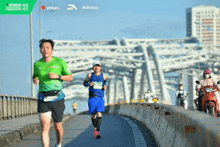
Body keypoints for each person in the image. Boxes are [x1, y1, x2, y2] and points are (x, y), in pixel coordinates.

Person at [33, 39, 73, 147]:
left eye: (47, 48)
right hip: (43, 98)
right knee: (45, 127)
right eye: (43, 47)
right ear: (40, 50)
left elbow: (70, 77)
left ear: (52, 50)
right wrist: (35, 80)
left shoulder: (60, 62)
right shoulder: (37, 64)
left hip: (57, 98)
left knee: (57, 126)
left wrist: (58, 76)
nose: (45, 50)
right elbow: (35, 75)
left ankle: (59, 144)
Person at [83, 61, 108, 139]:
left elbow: (106, 82)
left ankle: (97, 132)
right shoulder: (90, 75)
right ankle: (95, 129)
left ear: (100, 67)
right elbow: (84, 83)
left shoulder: (103, 75)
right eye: (95, 66)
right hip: (92, 97)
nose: (97, 67)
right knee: (94, 115)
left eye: (98, 66)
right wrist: (89, 84)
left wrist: (105, 86)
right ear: (93, 67)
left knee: (99, 113)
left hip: (100, 97)